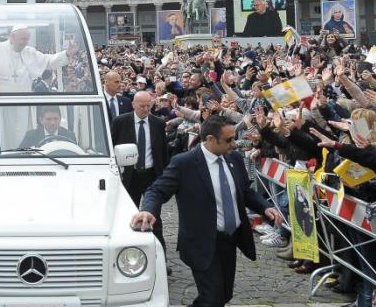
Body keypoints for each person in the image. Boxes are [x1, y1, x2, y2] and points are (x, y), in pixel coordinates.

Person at [132, 116, 284, 307]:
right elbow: (157, 190)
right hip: (201, 242)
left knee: (223, 295)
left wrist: (265, 206)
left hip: (230, 239)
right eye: (229, 140)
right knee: (213, 298)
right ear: (211, 139)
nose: (234, 144)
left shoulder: (234, 159)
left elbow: (244, 191)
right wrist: (148, 210)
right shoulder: (184, 163)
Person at [110, 91, 169, 255]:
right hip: (130, 176)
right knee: (129, 213)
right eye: (142, 106)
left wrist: (162, 175)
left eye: (148, 106)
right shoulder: (121, 122)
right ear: (133, 105)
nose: (145, 109)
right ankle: (129, 250)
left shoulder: (158, 123)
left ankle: (159, 254)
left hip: (151, 175)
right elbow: (112, 148)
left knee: (154, 215)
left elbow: (163, 151)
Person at [0, 25, 76, 93]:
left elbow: (48, 61)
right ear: (12, 37)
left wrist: (67, 53)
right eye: (23, 39)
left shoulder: (29, 52)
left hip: (23, 103)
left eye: (27, 39)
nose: (25, 42)